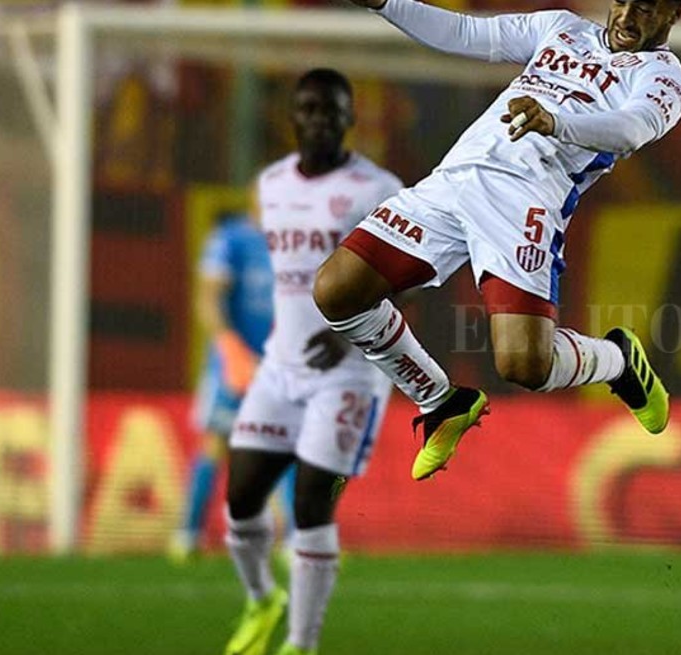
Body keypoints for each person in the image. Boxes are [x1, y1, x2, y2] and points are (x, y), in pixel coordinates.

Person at [314, 0, 681, 480]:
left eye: (645, 8)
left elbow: (630, 130)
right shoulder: (561, 28)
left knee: (524, 365)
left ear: (674, 13)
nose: (627, 16)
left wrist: (558, 123)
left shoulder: (666, 78)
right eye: (622, 2)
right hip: (452, 182)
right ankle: (440, 401)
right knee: (337, 290)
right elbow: (467, 34)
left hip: (524, 202)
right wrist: (387, 4)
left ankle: (619, 362)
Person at [222, 68, 403, 655]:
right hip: (281, 367)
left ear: (350, 118)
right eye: (309, 109)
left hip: (350, 371)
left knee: (309, 506)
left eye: (332, 110)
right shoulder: (271, 184)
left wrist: (352, 333)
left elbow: (414, 272)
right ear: (292, 117)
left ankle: (301, 644)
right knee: (241, 500)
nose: (320, 119)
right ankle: (261, 599)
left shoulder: (376, 189)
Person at [170, 209, 295, 563]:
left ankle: (297, 540)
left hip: (277, 364)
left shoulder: (293, 242)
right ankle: (188, 535)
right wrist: (230, 347)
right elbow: (208, 296)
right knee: (215, 443)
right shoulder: (230, 239)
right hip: (233, 365)